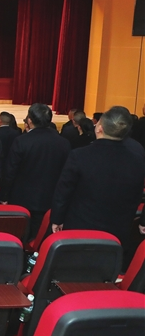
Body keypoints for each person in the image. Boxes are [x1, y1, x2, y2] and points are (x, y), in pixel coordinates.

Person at [51, 106, 145, 249]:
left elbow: (63, 192)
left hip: (80, 230)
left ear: (99, 128)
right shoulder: (137, 160)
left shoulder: (79, 156)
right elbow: (137, 195)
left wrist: (57, 219)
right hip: (117, 232)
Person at [0, 103, 70, 240]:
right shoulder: (63, 143)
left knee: (20, 237)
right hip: (51, 200)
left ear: (29, 120)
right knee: (42, 240)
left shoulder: (22, 141)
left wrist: (4, 197)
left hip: (22, 200)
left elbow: (10, 171)